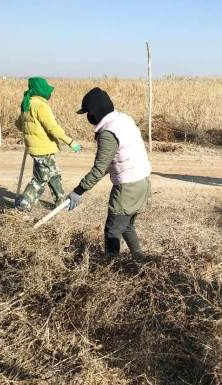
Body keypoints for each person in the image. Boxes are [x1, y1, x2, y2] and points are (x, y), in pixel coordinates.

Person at [68, 87, 152, 260]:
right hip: (142, 181)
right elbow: (108, 162)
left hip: (128, 187)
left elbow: (100, 168)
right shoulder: (124, 119)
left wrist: (79, 190)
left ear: (96, 111)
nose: (88, 117)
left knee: (112, 230)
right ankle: (140, 261)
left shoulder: (108, 132)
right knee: (126, 225)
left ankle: (111, 269)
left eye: (88, 113)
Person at [15, 77, 81, 211]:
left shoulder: (27, 103)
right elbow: (53, 128)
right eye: (46, 88)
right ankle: (25, 203)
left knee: (53, 174)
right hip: (43, 148)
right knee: (41, 179)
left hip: (36, 148)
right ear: (40, 89)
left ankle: (61, 201)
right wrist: (70, 142)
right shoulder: (40, 106)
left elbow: (19, 124)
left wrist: (29, 133)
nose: (49, 91)